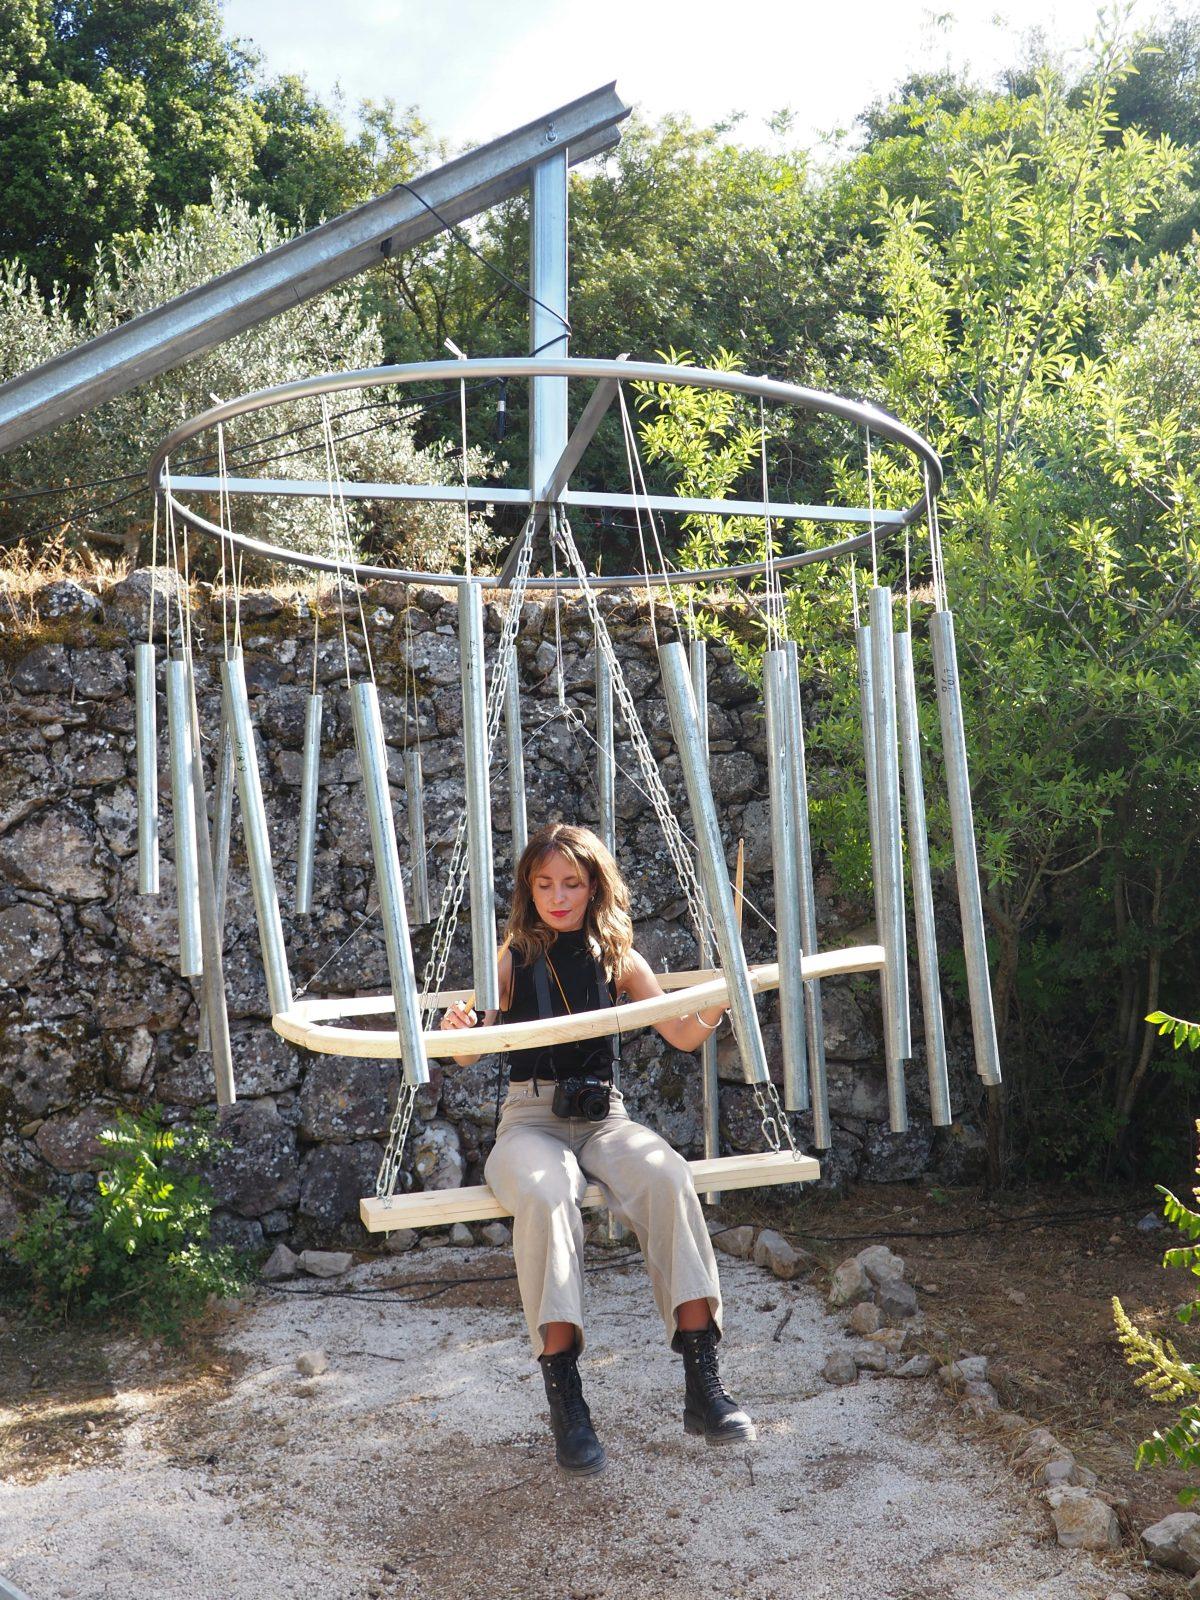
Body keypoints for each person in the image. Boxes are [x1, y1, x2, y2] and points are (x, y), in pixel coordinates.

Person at [440, 821, 754, 1475]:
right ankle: (568, 1405)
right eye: (545, 883)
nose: (558, 896)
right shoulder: (510, 958)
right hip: (529, 1123)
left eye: (572, 883)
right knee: (550, 1193)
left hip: (604, 1118)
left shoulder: (619, 955)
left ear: (593, 888)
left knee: (667, 1173)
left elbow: (681, 1034)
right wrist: (459, 1025)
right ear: (530, 888)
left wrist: (721, 1001)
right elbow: (467, 1052)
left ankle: (704, 1385)